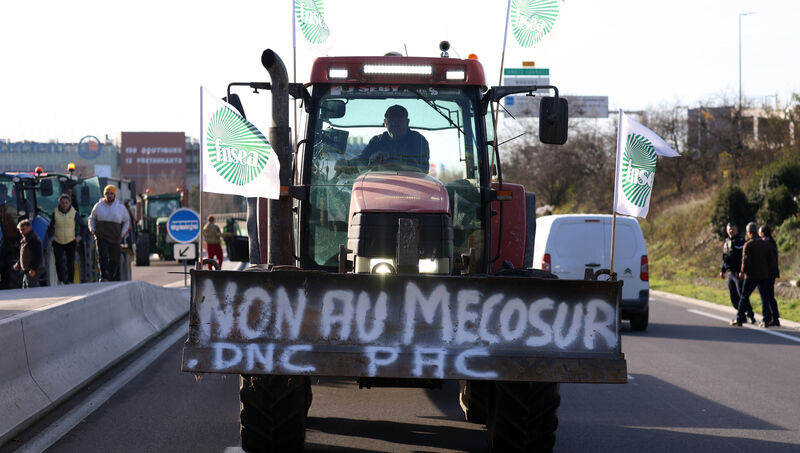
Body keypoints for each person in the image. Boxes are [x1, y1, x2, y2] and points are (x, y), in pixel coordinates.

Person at [334, 105, 430, 174]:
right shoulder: (377, 141)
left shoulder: (418, 140)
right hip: (379, 187)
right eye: (391, 120)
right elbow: (363, 159)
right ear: (385, 123)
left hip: (412, 189)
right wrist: (347, 164)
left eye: (399, 120)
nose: (395, 123)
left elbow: (420, 168)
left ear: (407, 122)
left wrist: (388, 157)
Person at [731, 222, 772, 327]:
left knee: (744, 296)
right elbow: (770, 259)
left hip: (752, 275)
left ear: (749, 233)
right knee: (764, 297)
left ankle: (740, 318)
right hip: (764, 274)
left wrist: (743, 272)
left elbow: (745, 261)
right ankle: (766, 319)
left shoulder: (748, 245)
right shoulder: (765, 244)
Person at [88, 185, 130, 282]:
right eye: (107, 193)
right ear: (104, 194)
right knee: (102, 257)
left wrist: (122, 233)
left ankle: (112, 277)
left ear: (114, 195)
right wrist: (93, 230)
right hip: (101, 236)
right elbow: (91, 219)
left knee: (114, 259)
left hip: (115, 237)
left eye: (111, 193)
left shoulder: (120, 207)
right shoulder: (98, 206)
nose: (109, 195)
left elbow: (127, 220)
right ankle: (104, 277)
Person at [47, 194, 87, 284]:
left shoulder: (74, 213)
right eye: (62, 203)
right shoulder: (55, 213)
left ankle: (70, 280)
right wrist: (51, 238)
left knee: (70, 262)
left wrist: (79, 237)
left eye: (66, 203)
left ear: (70, 203)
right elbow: (50, 227)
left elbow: (83, 226)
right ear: (59, 203)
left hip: (71, 241)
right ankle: (61, 280)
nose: (64, 204)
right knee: (59, 262)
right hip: (57, 241)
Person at [719, 221, 754, 323]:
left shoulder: (741, 241)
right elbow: (725, 259)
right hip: (730, 272)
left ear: (737, 230)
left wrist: (743, 271)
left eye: (733, 229)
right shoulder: (726, 242)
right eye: (729, 229)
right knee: (734, 297)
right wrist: (722, 270)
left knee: (742, 295)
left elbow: (744, 258)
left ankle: (750, 315)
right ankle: (741, 313)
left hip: (738, 272)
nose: (731, 231)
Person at [759, 225, 781, 327]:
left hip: (768, 273)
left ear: (763, 233)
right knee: (770, 296)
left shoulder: (766, 244)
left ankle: (769, 318)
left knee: (766, 296)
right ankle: (775, 317)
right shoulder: (771, 242)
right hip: (771, 273)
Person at [13, 219, 43, 288]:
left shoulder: (33, 239)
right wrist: (18, 263)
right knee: (26, 288)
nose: (21, 232)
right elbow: (24, 255)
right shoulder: (25, 239)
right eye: (20, 230)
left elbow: (37, 256)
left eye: (23, 229)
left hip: (32, 271)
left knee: (32, 290)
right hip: (27, 271)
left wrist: (33, 269)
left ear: (29, 228)